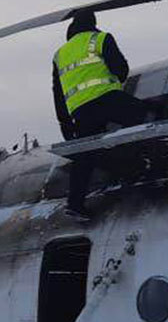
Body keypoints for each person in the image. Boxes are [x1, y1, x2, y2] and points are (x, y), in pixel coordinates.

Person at [52, 11, 157, 216]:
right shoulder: (100, 39)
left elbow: (57, 92)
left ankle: (75, 205)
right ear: (93, 24)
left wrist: (65, 123)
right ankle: (141, 165)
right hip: (107, 98)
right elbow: (121, 70)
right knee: (149, 117)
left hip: (80, 111)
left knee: (84, 156)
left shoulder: (60, 54)